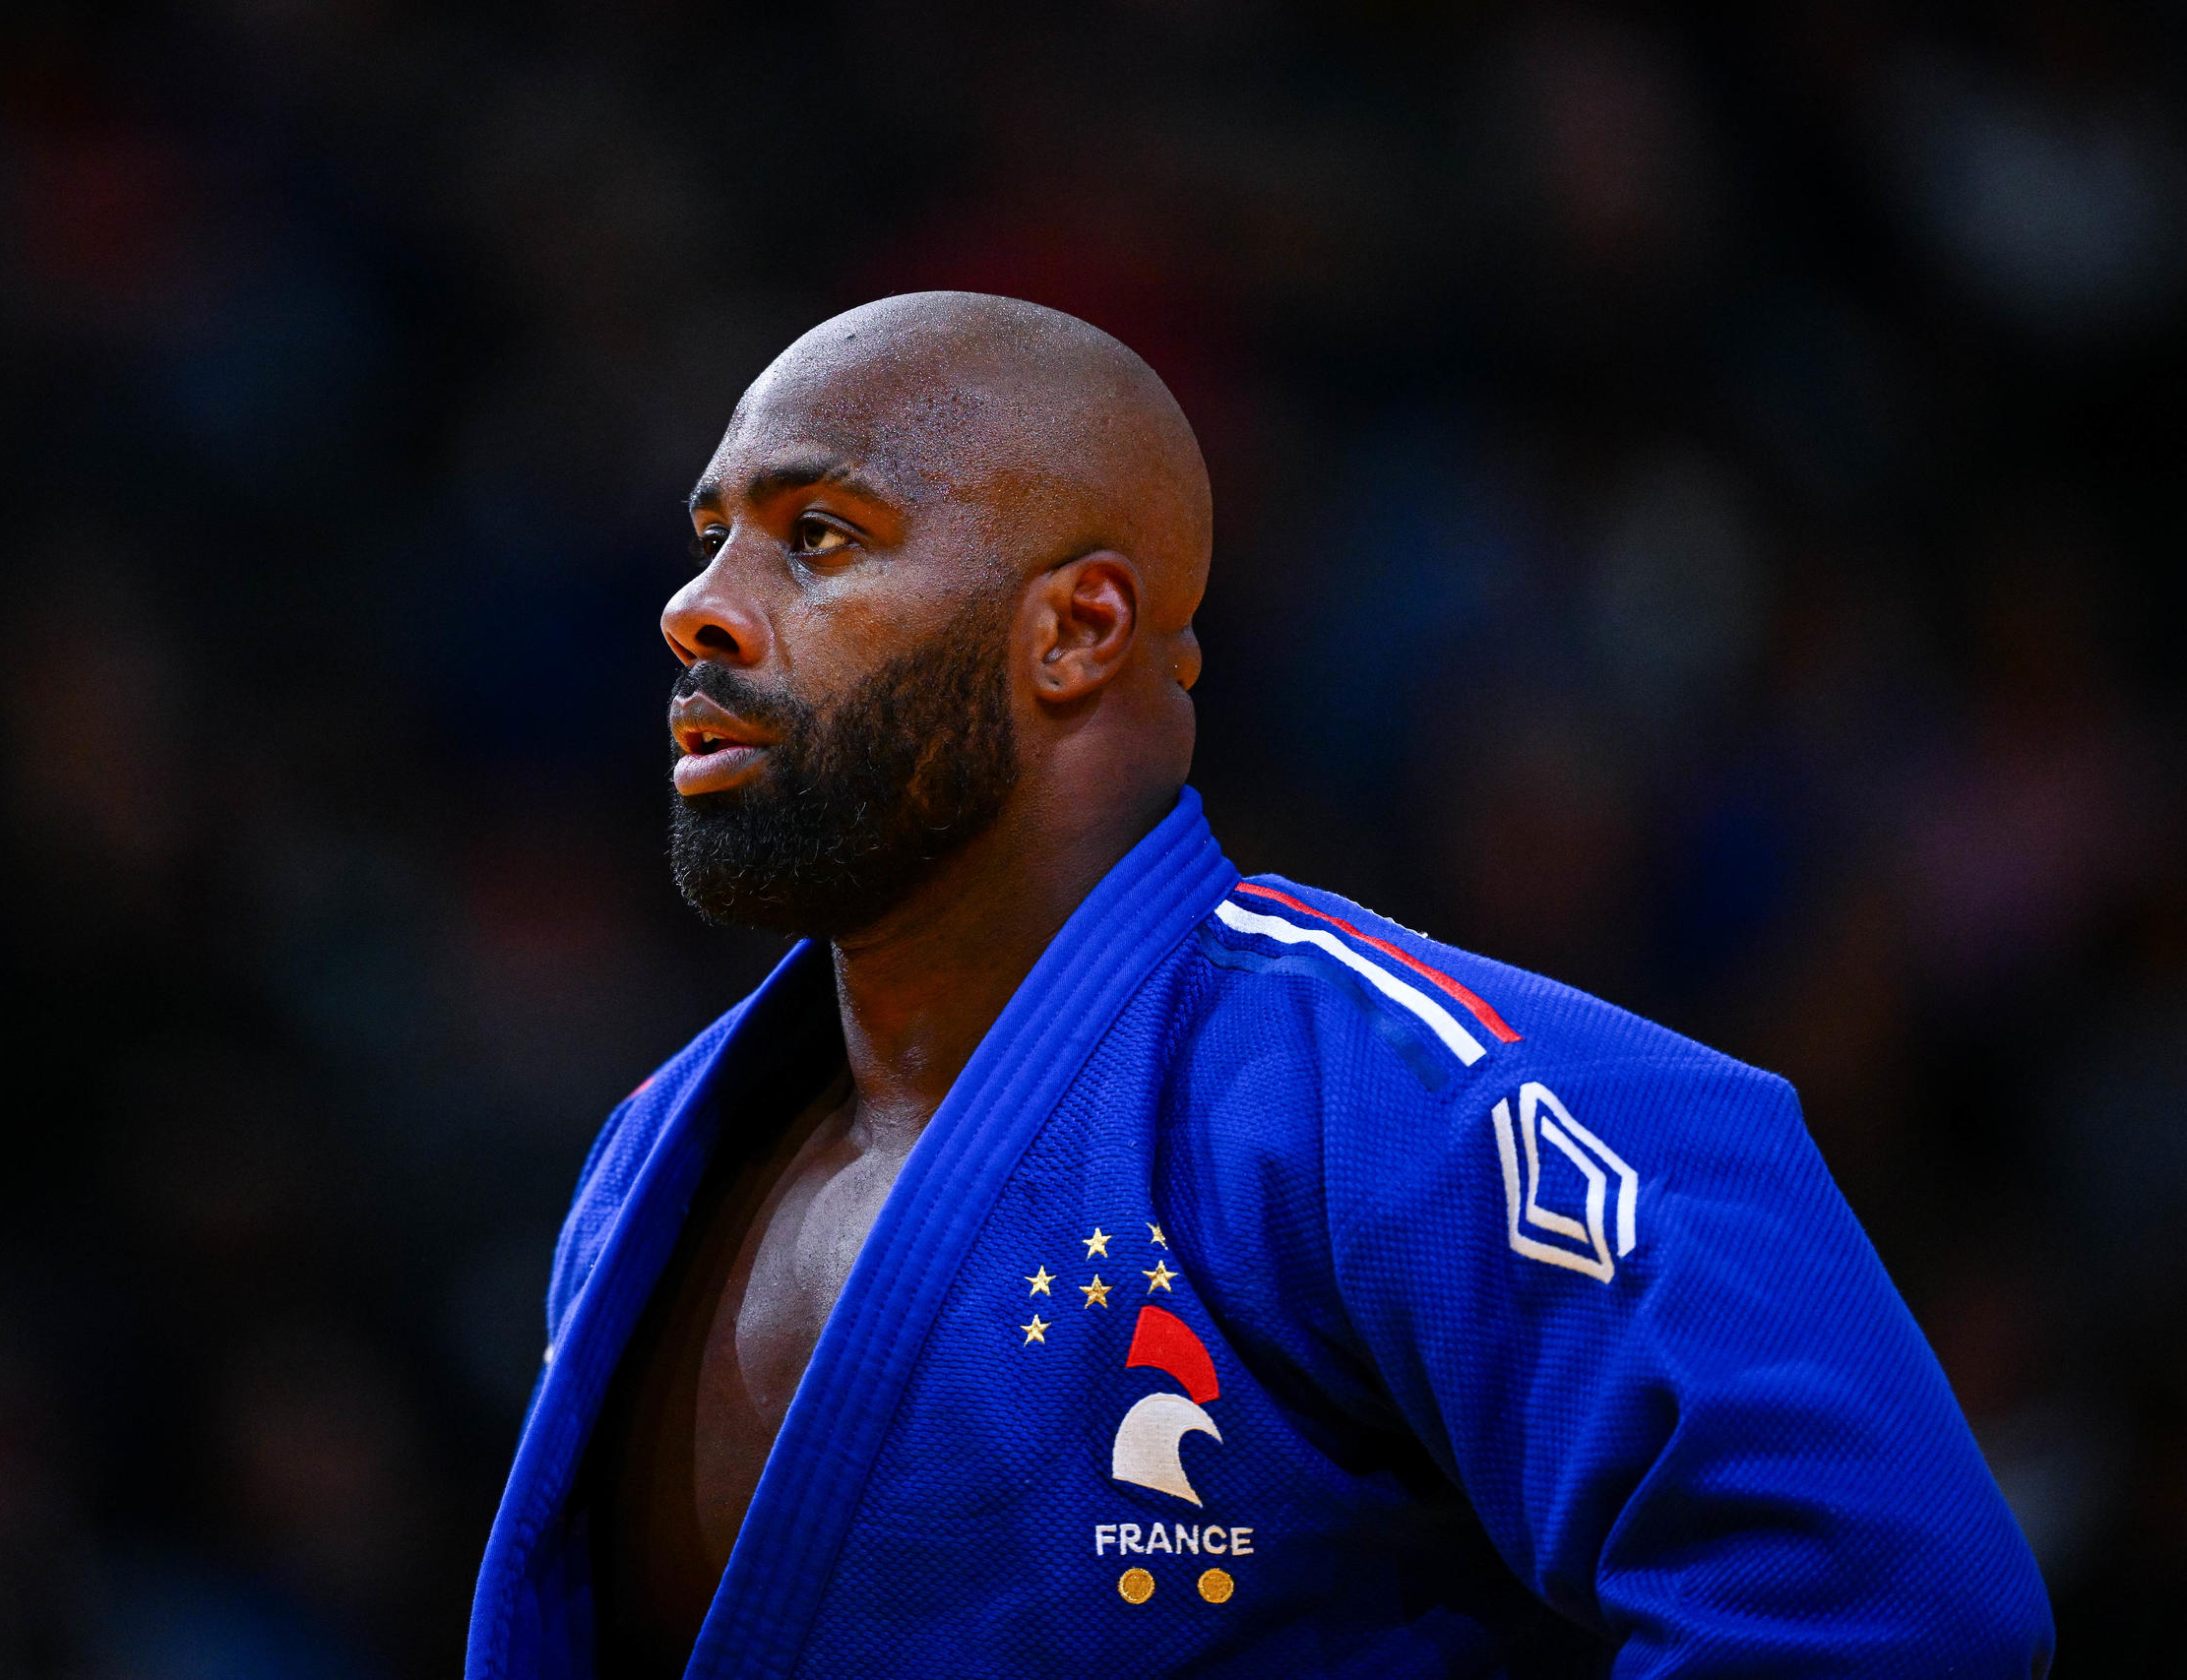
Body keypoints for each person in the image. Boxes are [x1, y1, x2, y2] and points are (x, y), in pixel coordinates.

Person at [465, 293, 2051, 1678]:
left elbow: (1888, 1604)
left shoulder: (1425, 1094)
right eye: (711, 538)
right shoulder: (647, 1159)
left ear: (1077, 631)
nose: (699, 608)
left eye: (818, 538)